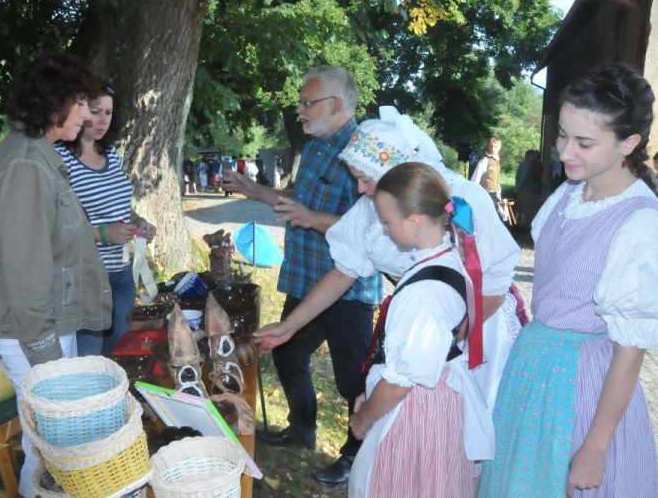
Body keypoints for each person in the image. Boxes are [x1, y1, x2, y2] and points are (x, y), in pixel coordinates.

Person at [252, 105, 522, 486]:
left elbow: (492, 284)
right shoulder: (374, 210)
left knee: (469, 432)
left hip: (475, 325)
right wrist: (290, 325)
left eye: (364, 179)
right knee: (418, 434)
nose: (360, 189)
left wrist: (449, 342)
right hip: (423, 328)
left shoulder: (460, 199)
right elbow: (344, 269)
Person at [479, 64, 658, 498]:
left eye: (585, 142)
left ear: (627, 143)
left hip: (583, 389)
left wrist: (595, 446)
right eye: (563, 136)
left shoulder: (640, 226)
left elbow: (630, 352)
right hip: (532, 372)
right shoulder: (570, 192)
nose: (566, 152)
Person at [222, 65, 382, 485]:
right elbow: (300, 200)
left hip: (348, 288)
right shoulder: (314, 147)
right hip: (306, 278)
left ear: (337, 105)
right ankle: (303, 428)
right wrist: (251, 189)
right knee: (288, 353)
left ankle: (354, 454)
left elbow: (372, 227)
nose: (300, 110)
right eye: (301, 102)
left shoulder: (367, 151)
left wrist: (313, 219)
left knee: (354, 379)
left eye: (308, 102)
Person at [0, 53, 112, 498]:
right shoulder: (26, 168)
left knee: (53, 442)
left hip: (47, 322)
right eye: (79, 104)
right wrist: (47, 356)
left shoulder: (37, 158)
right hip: (34, 330)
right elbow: (26, 274)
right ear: (52, 105)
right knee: (50, 446)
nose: (89, 114)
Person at [347, 162, 492, 498]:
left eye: (387, 221)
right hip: (435, 400)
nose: (384, 229)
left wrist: (364, 418)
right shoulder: (445, 258)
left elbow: (400, 383)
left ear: (414, 223)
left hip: (416, 414)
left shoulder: (423, 293)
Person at [55, 81, 157, 357]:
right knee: (90, 361)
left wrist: (139, 222)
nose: (103, 121)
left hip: (121, 275)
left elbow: (122, 207)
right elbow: (54, 224)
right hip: (85, 277)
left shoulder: (112, 155)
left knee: (119, 356)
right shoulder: (59, 158)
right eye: (95, 111)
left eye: (109, 113)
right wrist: (103, 234)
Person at [470, 137, 503, 205]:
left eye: (495, 147)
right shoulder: (485, 161)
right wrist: (473, 194)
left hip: (494, 194)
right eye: (491, 147)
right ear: (488, 147)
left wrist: (498, 194)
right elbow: (476, 178)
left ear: (499, 148)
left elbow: (497, 180)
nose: (493, 149)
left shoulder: (497, 161)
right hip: (485, 193)